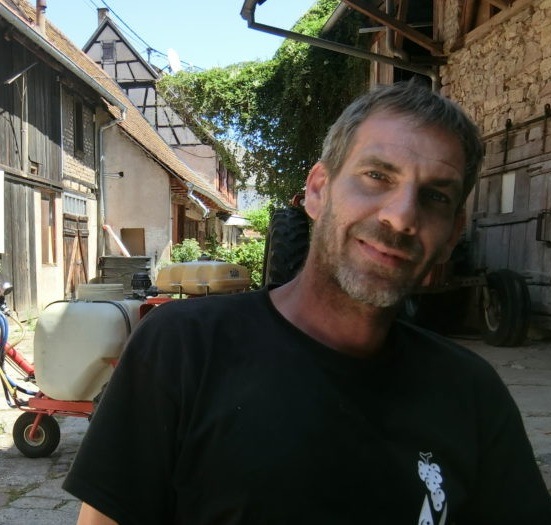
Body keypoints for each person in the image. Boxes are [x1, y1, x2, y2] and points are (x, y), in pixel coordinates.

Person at [64, 79, 551, 525]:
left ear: (452, 235)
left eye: (436, 197)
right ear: (318, 191)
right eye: (377, 176)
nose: (402, 217)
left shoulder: (472, 394)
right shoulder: (184, 348)